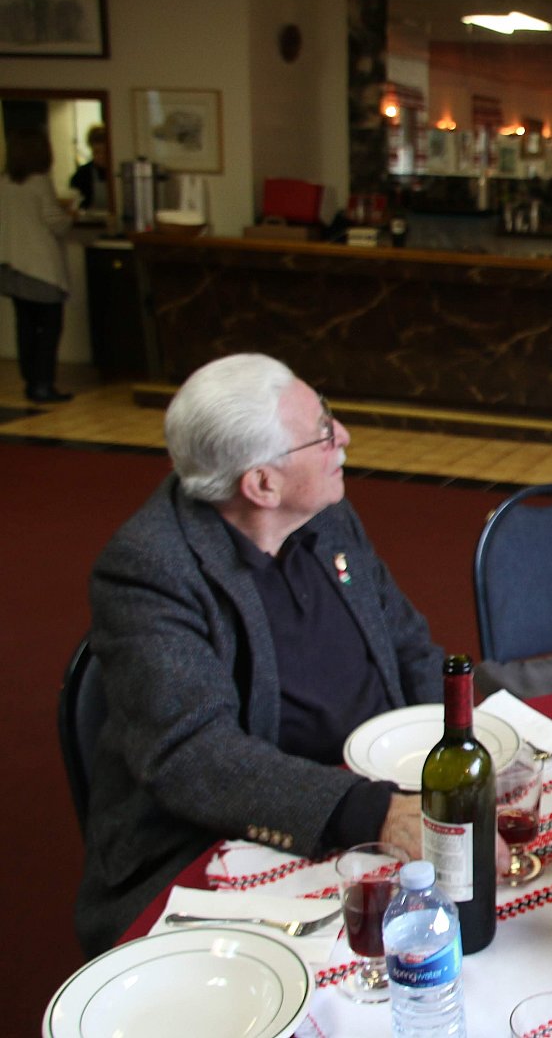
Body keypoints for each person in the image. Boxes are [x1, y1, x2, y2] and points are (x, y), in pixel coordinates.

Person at [77, 353, 443, 954]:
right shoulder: (150, 570)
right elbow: (193, 755)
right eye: (323, 433)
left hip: (379, 797)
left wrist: (460, 741)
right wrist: (369, 812)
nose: (343, 438)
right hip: (235, 836)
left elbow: (409, 646)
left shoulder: (327, 514)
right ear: (262, 484)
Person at [0, 128, 75, 402]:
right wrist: (71, 215)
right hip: (40, 268)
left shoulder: (5, 183)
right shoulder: (40, 183)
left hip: (12, 267)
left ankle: (31, 380)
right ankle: (43, 383)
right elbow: (57, 222)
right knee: (49, 329)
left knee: (26, 326)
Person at [69, 124, 110, 212]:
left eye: (104, 152)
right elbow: (76, 204)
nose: (101, 156)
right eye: (97, 152)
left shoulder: (116, 172)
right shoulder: (82, 174)